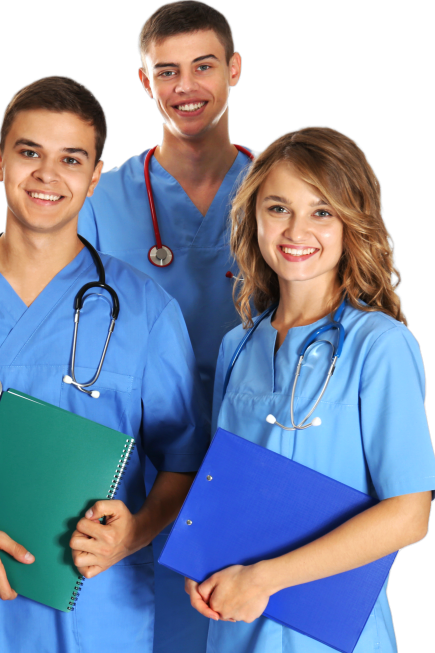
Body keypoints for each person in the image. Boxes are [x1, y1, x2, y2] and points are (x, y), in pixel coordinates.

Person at [0, 75, 208, 653]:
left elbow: (185, 460)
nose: (47, 175)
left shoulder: (144, 311)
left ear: (95, 176)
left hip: (96, 609)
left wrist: (134, 533)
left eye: (71, 159)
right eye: (29, 153)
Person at [185, 126, 434, 653]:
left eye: (322, 212)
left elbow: (409, 514)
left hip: (330, 635)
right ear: (253, 217)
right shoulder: (237, 346)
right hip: (235, 626)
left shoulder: (380, 346)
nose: (297, 230)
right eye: (278, 208)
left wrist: (266, 579)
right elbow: (224, 486)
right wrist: (198, 557)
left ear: (353, 223)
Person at [77, 3, 252, 649]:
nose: (186, 87)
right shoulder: (101, 199)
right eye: (167, 71)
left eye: (203, 66)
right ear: (146, 83)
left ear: (233, 70)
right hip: (138, 470)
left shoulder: (280, 191)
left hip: (250, 455)